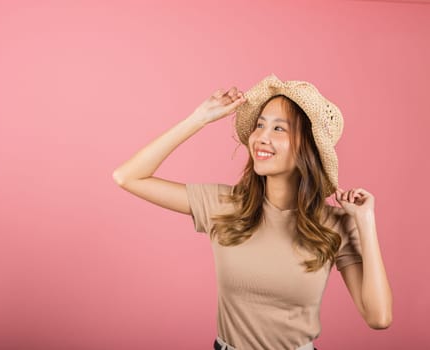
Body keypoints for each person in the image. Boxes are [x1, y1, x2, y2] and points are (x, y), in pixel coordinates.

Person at [112, 73, 392, 350]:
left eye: (279, 129)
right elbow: (128, 177)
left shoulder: (335, 224)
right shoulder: (225, 205)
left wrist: (366, 222)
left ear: (308, 146)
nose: (261, 137)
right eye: (260, 125)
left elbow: (378, 317)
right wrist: (198, 118)